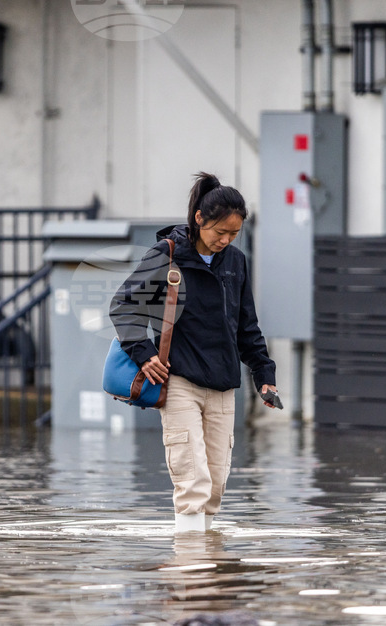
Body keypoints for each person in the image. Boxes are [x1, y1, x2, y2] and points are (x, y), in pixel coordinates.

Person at [109, 172, 278, 533]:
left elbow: (246, 326)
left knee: (215, 484)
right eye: (220, 231)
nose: (225, 240)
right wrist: (144, 354)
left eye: (234, 233)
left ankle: (207, 562)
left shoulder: (236, 262)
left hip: (223, 384)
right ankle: (190, 562)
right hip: (180, 382)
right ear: (199, 219)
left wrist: (264, 375)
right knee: (193, 481)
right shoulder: (166, 256)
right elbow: (124, 306)